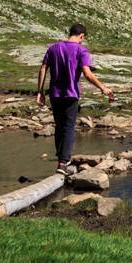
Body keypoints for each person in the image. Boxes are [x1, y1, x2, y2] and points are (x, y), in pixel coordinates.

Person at [36, 23, 114, 174]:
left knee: (59, 126)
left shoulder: (53, 48)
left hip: (55, 94)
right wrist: (103, 88)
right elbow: (87, 73)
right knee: (69, 127)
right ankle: (63, 163)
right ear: (82, 36)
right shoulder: (81, 49)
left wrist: (39, 92)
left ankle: (61, 157)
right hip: (71, 94)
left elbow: (43, 68)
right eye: (83, 39)